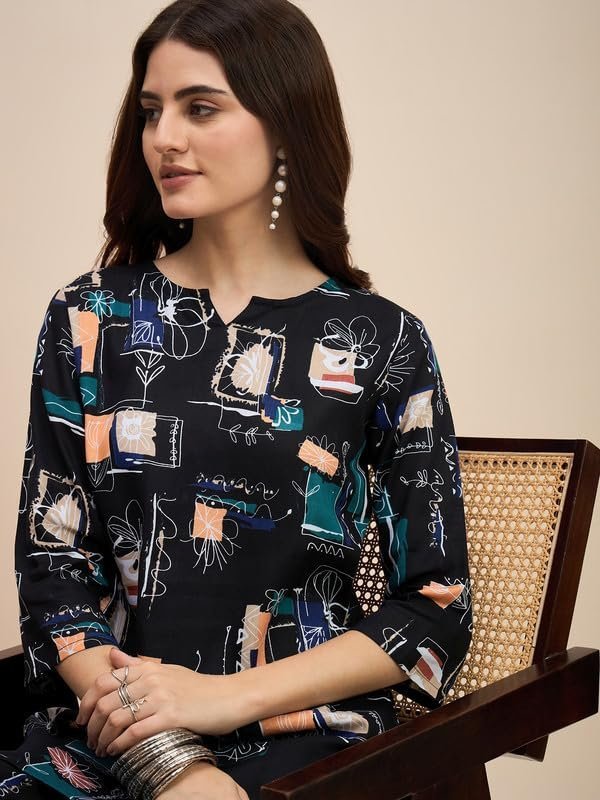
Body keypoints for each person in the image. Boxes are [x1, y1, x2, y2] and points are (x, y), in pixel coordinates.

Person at [0, 0, 472, 797]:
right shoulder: (90, 317)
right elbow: (54, 567)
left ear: (284, 123)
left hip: (307, 739)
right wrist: (172, 759)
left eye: (200, 108)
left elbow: (434, 609)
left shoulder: (382, 341)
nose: (164, 138)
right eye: (152, 111)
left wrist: (223, 699)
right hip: (114, 736)